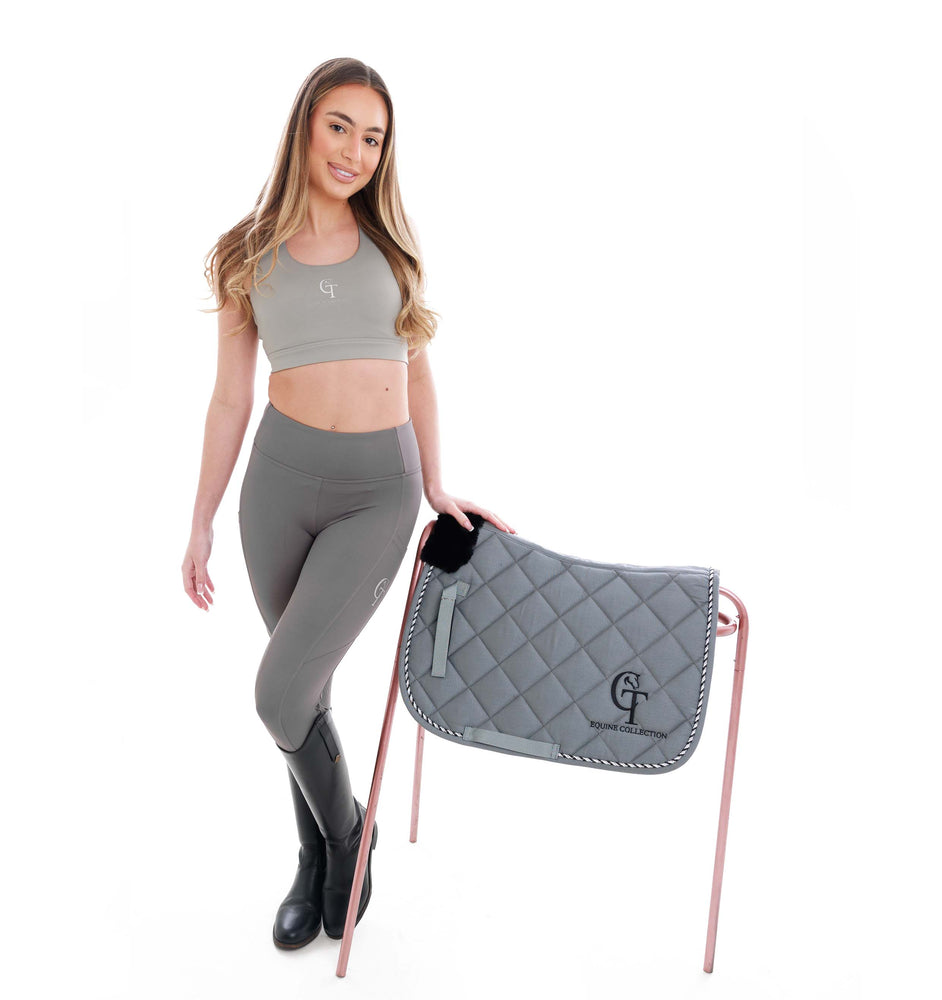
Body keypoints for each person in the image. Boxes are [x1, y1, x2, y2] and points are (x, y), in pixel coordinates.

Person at [181, 57, 514, 951]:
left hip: (377, 495)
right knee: (304, 690)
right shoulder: (246, 252)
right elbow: (229, 398)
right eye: (340, 127)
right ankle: (319, 854)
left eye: (373, 138)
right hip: (276, 490)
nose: (355, 152)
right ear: (305, 126)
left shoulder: (390, 247)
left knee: (279, 689)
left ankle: (346, 837)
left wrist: (437, 482)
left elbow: (419, 376)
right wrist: (201, 520)